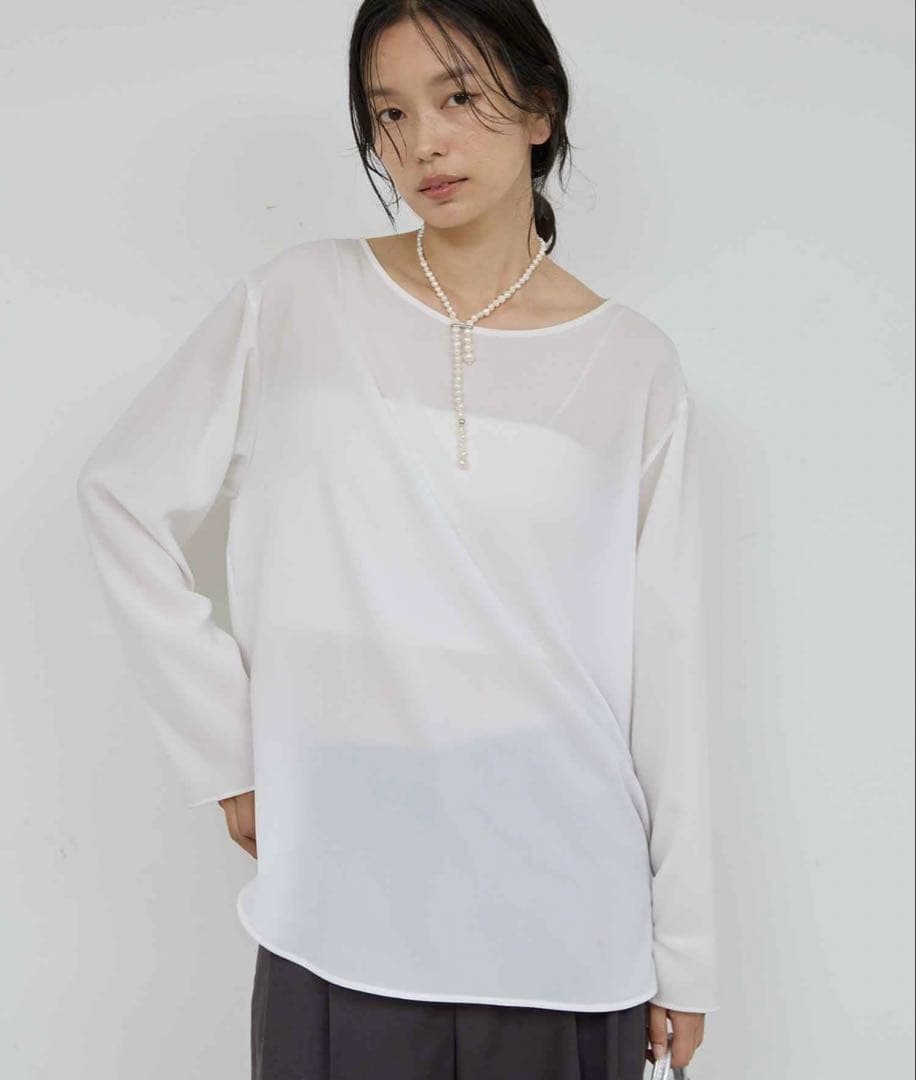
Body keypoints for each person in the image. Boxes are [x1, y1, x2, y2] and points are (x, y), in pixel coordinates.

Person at [76, 2, 720, 1077]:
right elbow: (122, 497)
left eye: (458, 97)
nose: (423, 142)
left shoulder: (633, 366)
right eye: (389, 114)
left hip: (564, 914)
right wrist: (226, 750)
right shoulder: (299, 300)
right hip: (342, 900)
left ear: (541, 109)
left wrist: (685, 953)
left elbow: (669, 662)